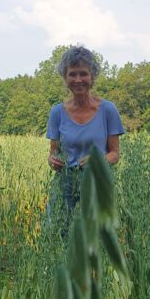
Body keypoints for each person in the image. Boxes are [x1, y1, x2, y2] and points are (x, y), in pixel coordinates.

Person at [46, 45, 125, 219]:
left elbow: (115, 154)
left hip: (96, 182)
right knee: (58, 234)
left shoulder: (108, 110)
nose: (78, 79)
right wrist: (52, 161)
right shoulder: (57, 113)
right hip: (64, 184)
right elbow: (53, 155)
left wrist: (97, 160)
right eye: (72, 74)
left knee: (95, 237)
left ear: (92, 77)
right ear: (65, 78)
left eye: (83, 73)